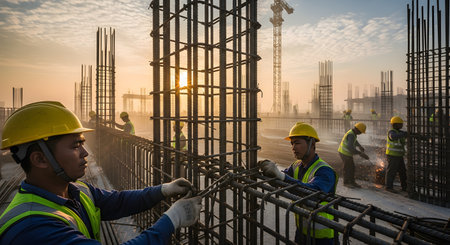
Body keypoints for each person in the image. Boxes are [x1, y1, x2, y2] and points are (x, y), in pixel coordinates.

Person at [0, 101, 202, 244]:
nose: (85, 152)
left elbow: (118, 201)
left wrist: (163, 190)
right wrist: (172, 220)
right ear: (40, 159)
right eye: (75, 146)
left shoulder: (75, 190)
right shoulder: (34, 227)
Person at [259, 122, 338, 245]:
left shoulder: (324, 171)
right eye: (292, 143)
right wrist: (270, 173)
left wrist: (281, 176)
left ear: (312, 143)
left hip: (322, 237)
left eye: (297, 143)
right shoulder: (296, 166)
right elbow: (282, 181)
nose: (293, 148)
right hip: (302, 230)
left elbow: (313, 192)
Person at [338, 122, 369, 188]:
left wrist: (359, 146)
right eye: (360, 132)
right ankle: (346, 182)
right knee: (348, 168)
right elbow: (350, 147)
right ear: (357, 129)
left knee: (351, 167)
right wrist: (360, 153)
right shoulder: (351, 135)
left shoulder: (353, 133)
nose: (360, 133)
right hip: (344, 153)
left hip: (346, 153)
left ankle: (351, 181)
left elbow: (354, 141)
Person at [385, 116, 407, 193]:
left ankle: (404, 187)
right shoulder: (391, 132)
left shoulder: (400, 132)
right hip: (392, 155)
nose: (402, 125)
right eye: (400, 124)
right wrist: (404, 134)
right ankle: (388, 187)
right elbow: (393, 137)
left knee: (402, 171)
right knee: (391, 171)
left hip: (399, 155)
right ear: (395, 125)